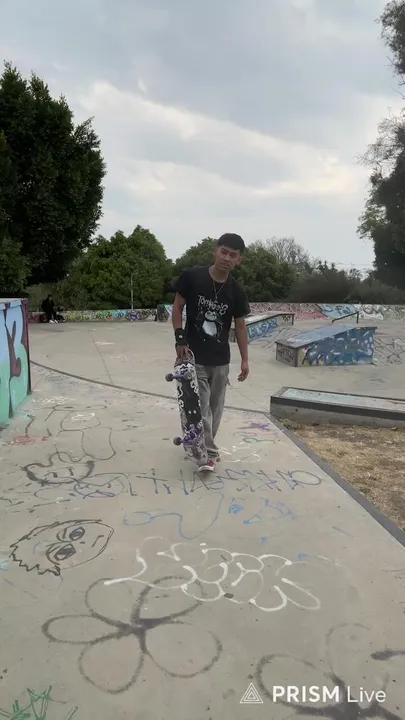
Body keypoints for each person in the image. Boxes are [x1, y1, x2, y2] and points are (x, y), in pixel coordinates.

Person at [172, 233, 250, 471]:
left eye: (233, 255)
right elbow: (178, 307)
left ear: (239, 261)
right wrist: (179, 338)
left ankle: (203, 444)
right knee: (201, 406)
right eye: (224, 252)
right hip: (193, 356)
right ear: (215, 251)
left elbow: (240, 327)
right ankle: (208, 454)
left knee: (215, 410)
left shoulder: (237, 292)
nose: (227, 258)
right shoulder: (192, 277)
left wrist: (245, 360)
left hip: (221, 360)